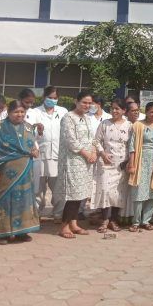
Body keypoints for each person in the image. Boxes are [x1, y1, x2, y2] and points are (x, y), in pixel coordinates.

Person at [0, 100, 40, 244]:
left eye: (22, 112)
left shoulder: (28, 127)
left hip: (25, 171)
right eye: (16, 112)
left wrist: (35, 151)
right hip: (5, 173)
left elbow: (32, 146)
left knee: (24, 200)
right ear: (8, 113)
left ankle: (22, 232)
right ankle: (3, 233)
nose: (19, 114)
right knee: (5, 200)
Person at [55, 90, 96, 239]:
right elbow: (71, 141)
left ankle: (74, 223)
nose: (87, 105)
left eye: (89, 103)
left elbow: (92, 138)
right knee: (72, 195)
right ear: (76, 102)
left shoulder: (87, 118)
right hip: (73, 161)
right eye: (84, 102)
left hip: (86, 162)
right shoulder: (68, 118)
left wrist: (94, 152)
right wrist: (86, 154)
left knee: (80, 194)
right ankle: (64, 226)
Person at [27, 85, 68, 221]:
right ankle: (36, 213)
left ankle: (58, 213)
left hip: (57, 154)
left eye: (55, 98)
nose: (52, 100)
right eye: (50, 97)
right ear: (44, 97)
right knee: (38, 187)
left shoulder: (63, 111)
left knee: (58, 187)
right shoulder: (35, 112)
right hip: (39, 154)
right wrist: (38, 132)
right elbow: (29, 132)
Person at [91, 98, 131, 233]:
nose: (114, 111)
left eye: (117, 109)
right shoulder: (104, 124)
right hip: (106, 163)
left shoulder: (129, 126)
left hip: (121, 165)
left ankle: (113, 220)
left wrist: (128, 162)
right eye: (112, 108)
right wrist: (102, 154)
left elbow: (131, 145)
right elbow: (96, 141)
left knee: (118, 193)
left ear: (124, 110)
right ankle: (104, 220)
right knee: (105, 191)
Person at [127, 102, 153, 232]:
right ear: (146, 112)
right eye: (152, 112)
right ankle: (136, 222)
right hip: (140, 161)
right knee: (139, 193)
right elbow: (132, 147)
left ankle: (146, 221)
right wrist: (132, 164)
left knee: (152, 192)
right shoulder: (138, 125)